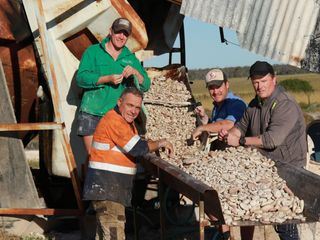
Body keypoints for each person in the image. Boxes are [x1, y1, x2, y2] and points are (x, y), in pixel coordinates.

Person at [219, 61, 307, 240]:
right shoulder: (254, 104)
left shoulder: (285, 104)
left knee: (285, 223)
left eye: (264, 81)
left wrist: (240, 141)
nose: (259, 86)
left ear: (274, 79)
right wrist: (228, 134)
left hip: (290, 169)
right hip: (268, 168)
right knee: (259, 213)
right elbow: (240, 127)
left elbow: (271, 139)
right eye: (255, 82)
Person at [83, 87, 174, 240]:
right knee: (114, 235)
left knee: (104, 234)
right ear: (120, 102)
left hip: (109, 189)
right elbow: (137, 148)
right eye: (130, 105)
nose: (133, 111)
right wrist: (160, 143)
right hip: (108, 189)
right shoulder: (115, 121)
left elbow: (135, 144)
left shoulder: (125, 123)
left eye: (137, 107)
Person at [76, 17, 151, 155]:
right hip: (92, 114)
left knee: (114, 158)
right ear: (110, 31)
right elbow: (80, 79)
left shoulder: (130, 57)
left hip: (117, 117)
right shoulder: (93, 52)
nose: (121, 36)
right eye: (118, 32)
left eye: (125, 34)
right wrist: (106, 79)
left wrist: (135, 72)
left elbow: (146, 84)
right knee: (94, 158)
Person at [192, 68, 247, 151]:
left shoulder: (236, 103)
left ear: (227, 84)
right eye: (211, 88)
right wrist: (204, 117)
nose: (215, 91)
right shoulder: (217, 105)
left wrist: (201, 128)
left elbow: (228, 124)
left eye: (218, 86)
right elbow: (215, 126)